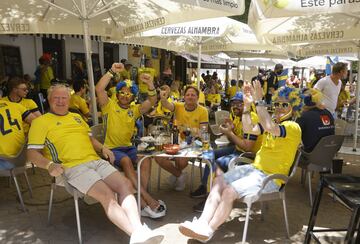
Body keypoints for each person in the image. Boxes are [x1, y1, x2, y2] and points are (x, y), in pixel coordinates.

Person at [27, 83, 164, 244]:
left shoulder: (76, 117)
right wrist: (49, 165)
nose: (60, 101)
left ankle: (138, 230)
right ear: (49, 99)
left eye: (64, 98)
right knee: (107, 195)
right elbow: (31, 153)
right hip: (71, 167)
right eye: (56, 97)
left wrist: (103, 148)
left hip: (95, 160)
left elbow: (90, 139)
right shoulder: (40, 122)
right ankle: (137, 235)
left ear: (69, 100)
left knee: (126, 185)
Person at [178, 81, 302, 242]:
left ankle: (208, 230)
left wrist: (258, 101)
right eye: (277, 104)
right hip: (255, 169)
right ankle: (201, 223)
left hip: (273, 177)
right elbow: (249, 129)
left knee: (229, 191)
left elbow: (270, 127)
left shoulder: (293, 127)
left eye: (284, 105)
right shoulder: (275, 123)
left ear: (294, 107)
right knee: (218, 181)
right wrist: (246, 106)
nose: (279, 108)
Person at [96, 63, 166, 219]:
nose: (124, 96)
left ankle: (140, 198)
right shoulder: (108, 106)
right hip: (112, 150)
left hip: (128, 147)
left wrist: (149, 83)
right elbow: (99, 89)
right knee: (127, 161)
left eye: (128, 94)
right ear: (117, 93)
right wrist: (111, 71)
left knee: (146, 158)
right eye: (122, 92)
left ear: (133, 97)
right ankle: (146, 200)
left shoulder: (134, 110)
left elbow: (152, 100)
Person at [191, 92, 262, 201]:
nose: (235, 107)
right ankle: (204, 186)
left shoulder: (251, 118)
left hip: (249, 155)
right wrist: (230, 130)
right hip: (238, 149)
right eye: (233, 104)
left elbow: (247, 147)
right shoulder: (237, 117)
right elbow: (233, 141)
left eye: (239, 104)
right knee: (209, 154)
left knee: (218, 162)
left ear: (247, 105)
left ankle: (211, 198)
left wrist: (229, 133)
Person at [156, 86, 209, 191]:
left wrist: (190, 130)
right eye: (188, 95)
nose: (190, 97)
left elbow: (203, 132)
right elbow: (167, 105)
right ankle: (179, 175)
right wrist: (163, 98)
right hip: (176, 141)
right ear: (184, 97)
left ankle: (176, 176)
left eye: (193, 95)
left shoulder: (203, 111)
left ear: (198, 97)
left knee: (181, 161)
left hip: (194, 143)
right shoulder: (178, 106)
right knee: (158, 157)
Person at [297, 88, 334, 154]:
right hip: (330, 150)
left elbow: (294, 133)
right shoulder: (328, 113)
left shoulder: (304, 116)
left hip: (310, 152)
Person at [0, 99, 35, 170]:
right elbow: (37, 122)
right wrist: (28, 137)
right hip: (22, 158)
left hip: (6, 162)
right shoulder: (16, 106)